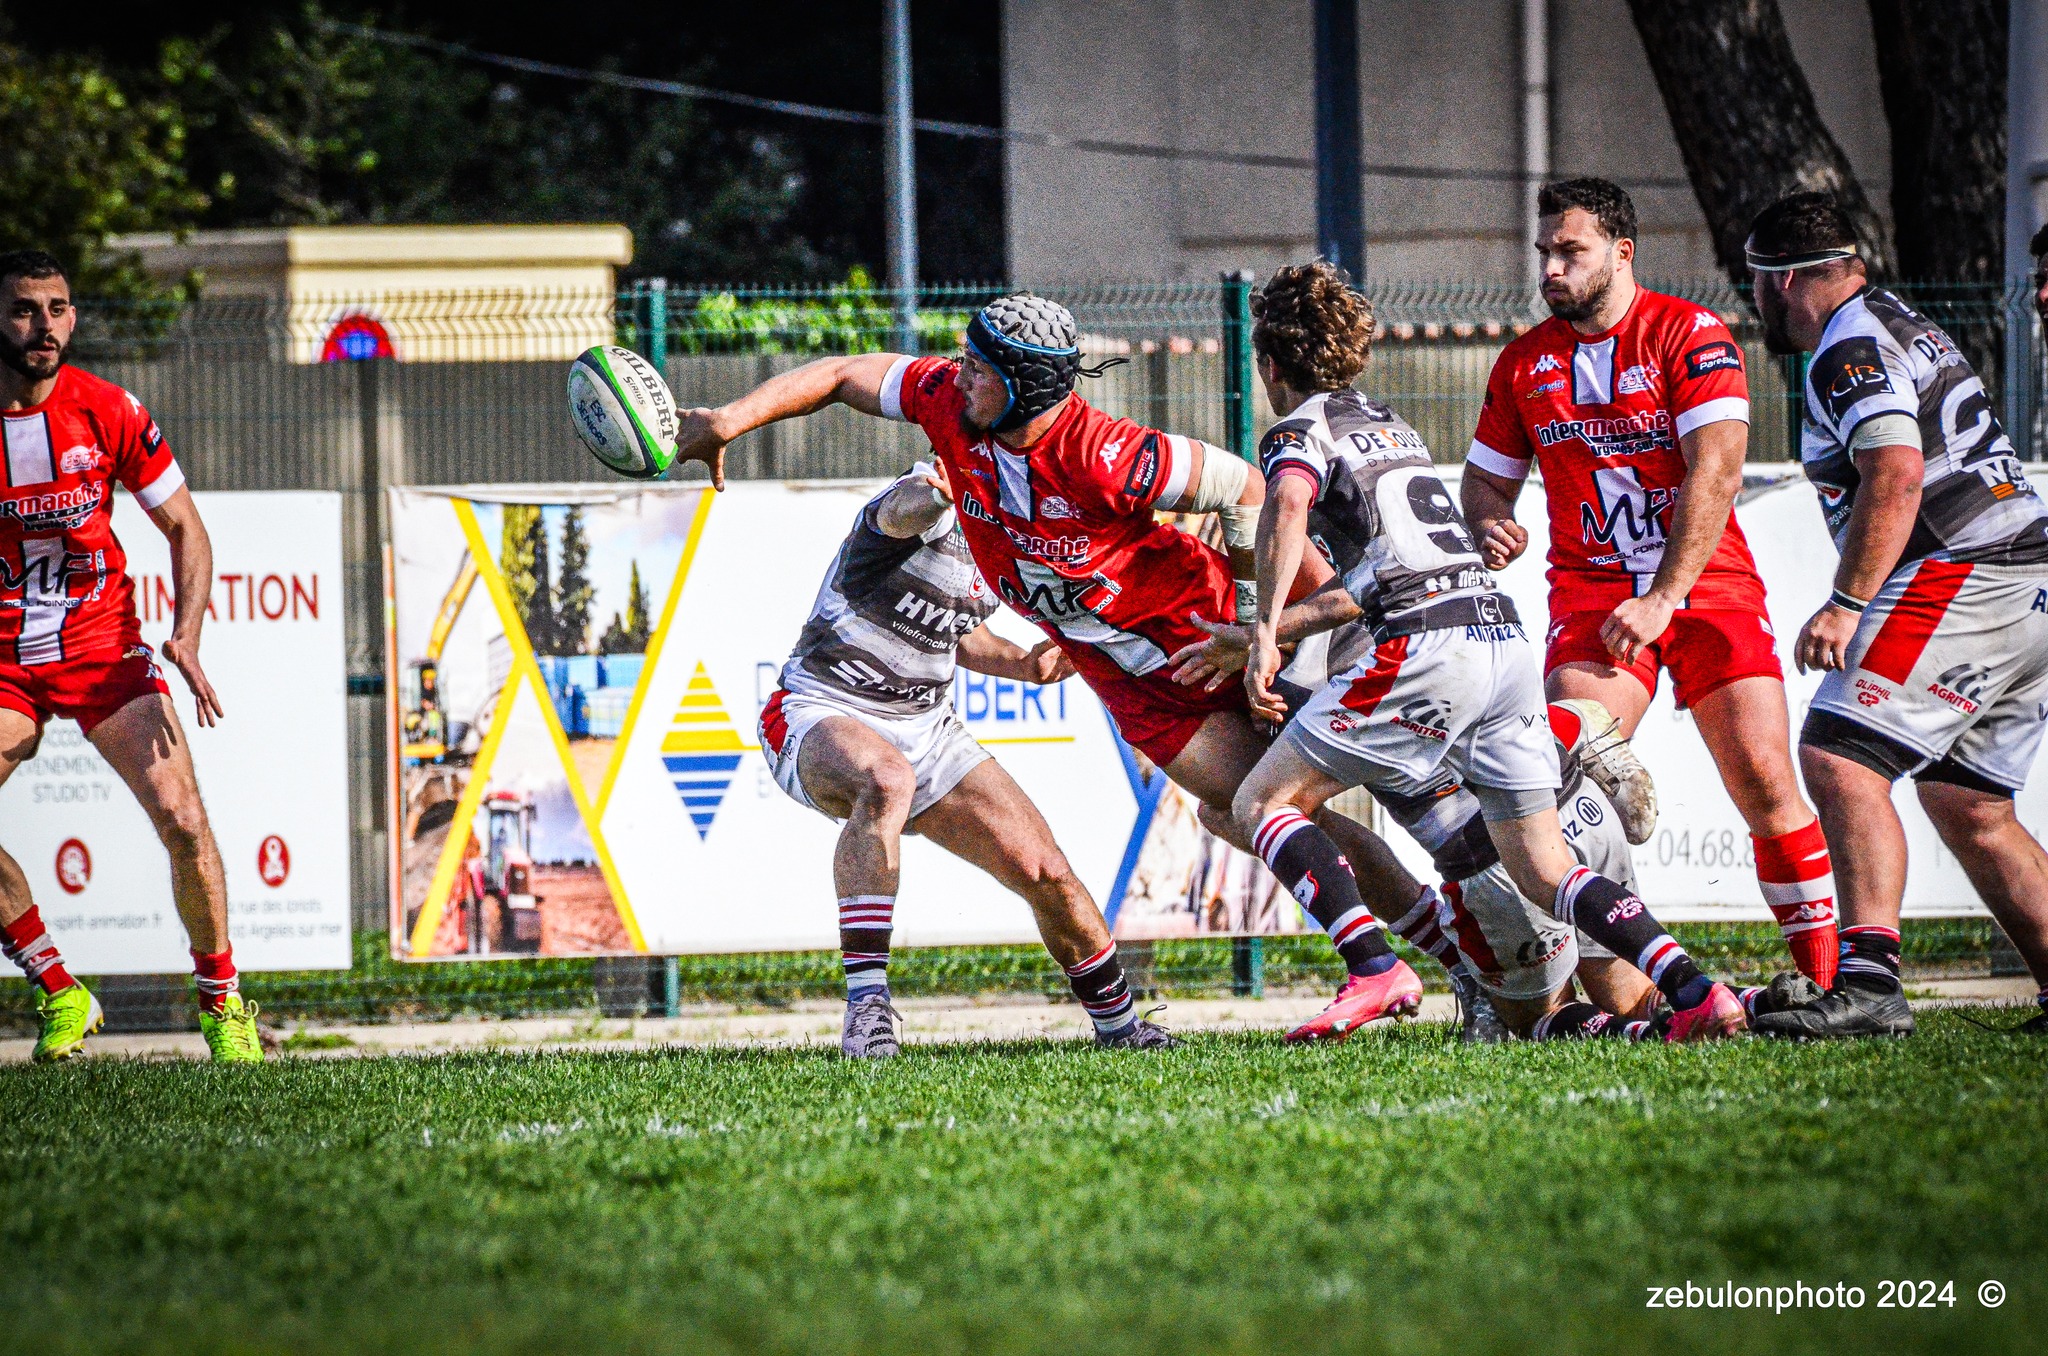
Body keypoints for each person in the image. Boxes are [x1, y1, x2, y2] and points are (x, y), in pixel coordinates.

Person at [673, 293, 1443, 1043]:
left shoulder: (1099, 453)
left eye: (979, 368)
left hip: (1191, 637)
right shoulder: (944, 438)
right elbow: (844, 377)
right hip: (1021, 693)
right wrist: (729, 420)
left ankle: (1460, 955)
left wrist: (1252, 622)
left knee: (1379, 792)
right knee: (1259, 806)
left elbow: (1244, 488)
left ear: (1026, 388)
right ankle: (1434, 964)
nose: (956, 375)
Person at [1227, 261, 1749, 1042]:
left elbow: (1292, 502)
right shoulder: (1390, 426)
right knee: (1545, 869)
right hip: (1499, 638)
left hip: (1426, 645)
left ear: (1268, 365)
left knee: (1258, 804)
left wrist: (1264, 630)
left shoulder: (1297, 431)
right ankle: (1697, 992)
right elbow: (1385, 568)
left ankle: (1374, 966)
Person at [1459, 178, 1841, 989]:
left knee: (1769, 784)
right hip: (1594, 594)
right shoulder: (1523, 363)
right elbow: (1484, 484)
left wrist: (1666, 595)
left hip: (1708, 587)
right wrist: (1489, 520)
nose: (1551, 270)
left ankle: (1829, 987)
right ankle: (1621, 998)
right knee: (1556, 763)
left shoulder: (1690, 334)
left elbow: (1718, 470)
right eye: (1545, 255)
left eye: (1571, 252)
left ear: (1621, 253)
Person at [1745, 194, 2048, 1039]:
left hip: (1969, 569)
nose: (1754, 302)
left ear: (1791, 279)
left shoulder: (1848, 346)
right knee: (1971, 805)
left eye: (1758, 283)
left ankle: (1870, 984)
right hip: (2029, 579)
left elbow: (1896, 472)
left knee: (1839, 757)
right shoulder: (1899, 319)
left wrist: (1846, 604)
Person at [760, 459, 1174, 1054]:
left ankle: (1121, 1028)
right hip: (818, 708)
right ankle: (867, 1010)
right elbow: (900, 512)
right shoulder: (922, 499)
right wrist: (935, 493)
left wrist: (1022, 664)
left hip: (928, 729)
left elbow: (956, 629)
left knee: (1046, 871)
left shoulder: (1008, 525)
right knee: (886, 778)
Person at [0, 250, 260, 1063]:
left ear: (74, 317)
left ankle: (224, 1009)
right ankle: (60, 988)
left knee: (184, 820)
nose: (44, 325)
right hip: (6, 659)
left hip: (102, 646)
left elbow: (187, 527)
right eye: (23, 309)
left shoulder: (109, 409)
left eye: (58, 307)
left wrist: (186, 633)